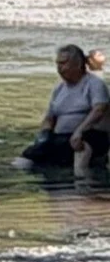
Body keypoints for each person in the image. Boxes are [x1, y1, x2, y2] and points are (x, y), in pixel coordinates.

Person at [19, 45, 109, 175]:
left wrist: (79, 131)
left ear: (78, 64)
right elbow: (49, 118)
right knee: (25, 160)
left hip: (88, 136)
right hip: (60, 137)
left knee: (82, 145)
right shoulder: (59, 88)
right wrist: (44, 135)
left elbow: (99, 110)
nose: (59, 68)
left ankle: (82, 180)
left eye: (63, 63)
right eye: (57, 64)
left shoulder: (94, 84)